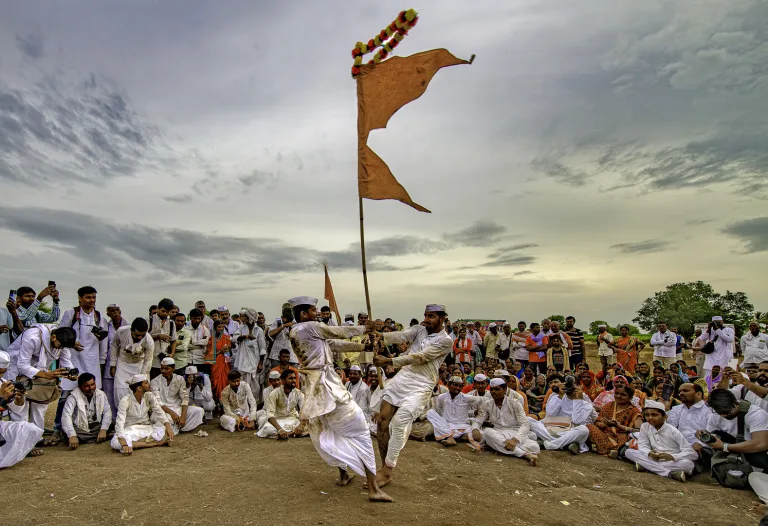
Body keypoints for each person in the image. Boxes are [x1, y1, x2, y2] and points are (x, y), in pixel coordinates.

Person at [287, 296, 391, 502]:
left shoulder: (304, 331)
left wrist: (364, 348)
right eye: (313, 310)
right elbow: (337, 331)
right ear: (302, 314)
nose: (316, 313)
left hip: (316, 389)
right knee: (360, 430)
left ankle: (344, 474)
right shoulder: (308, 327)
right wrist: (364, 329)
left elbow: (334, 343)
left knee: (328, 431)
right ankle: (373, 489)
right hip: (326, 387)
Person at [372, 304, 453, 489]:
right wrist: (381, 336)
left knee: (400, 421)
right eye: (425, 315)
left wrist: (390, 361)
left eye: (431, 316)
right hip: (403, 377)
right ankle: (384, 466)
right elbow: (401, 336)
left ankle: (387, 470)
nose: (426, 319)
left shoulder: (446, 341)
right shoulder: (419, 329)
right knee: (382, 421)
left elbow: (420, 357)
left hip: (423, 383)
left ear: (442, 319)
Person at [56, 286, 109, 440]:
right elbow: (60, 334)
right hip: (73, 359)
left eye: (93, 297)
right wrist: (71, 343)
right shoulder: (71, 314)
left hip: (92, 359)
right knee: (66, 395)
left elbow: (104, 343)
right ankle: (58, 428)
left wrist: (102, 361)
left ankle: (88, 425)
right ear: (79, 298)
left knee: (92, 394)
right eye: (88, 297)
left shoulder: (99, 317)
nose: (91, 300)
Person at [7, 325, 78, 433]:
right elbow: (22, 365)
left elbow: (66, 361)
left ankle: (35, 437)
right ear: (53, 337)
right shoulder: (32, 336)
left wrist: (70, 373)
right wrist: (46, 375)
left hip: (40, 372)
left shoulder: (62, 342)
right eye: (59, 346)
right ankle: (20, 440)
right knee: (21, 408)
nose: (60, 348)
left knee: (39, 406)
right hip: (17, 369)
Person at [471, 378, 539, 465]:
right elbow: (478, 420)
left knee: (534, 447)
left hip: (515, 432)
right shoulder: (487, 404)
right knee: (487, 433)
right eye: (491, 389)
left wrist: (515, 439)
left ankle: (496, 446)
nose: (493, 392)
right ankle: (525, 454)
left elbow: (525, 425)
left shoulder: (514, 403)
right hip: (498, 432)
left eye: (497, 389)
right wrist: (475, 429)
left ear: (505, 390)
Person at [625, 400, 696, 482]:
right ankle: (668, 473)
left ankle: (648, 467)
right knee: (629, 452)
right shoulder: (645, 426)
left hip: (672, 462)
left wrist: (673, 456)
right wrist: (649, 453)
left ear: (665, 417)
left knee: (689, 464)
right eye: (647, 415)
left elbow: (693, 454)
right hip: (654, 459)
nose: (650, 417)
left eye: (654, 415)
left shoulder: (673, 431)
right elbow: (642, 445)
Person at [111, 374, 174, 454]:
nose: (149, 384)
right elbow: (120, 422)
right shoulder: (125, 401)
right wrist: (124, 444)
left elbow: (159, 412)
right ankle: (156, 443)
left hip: (146, 427)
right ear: (139, 388)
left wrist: (168, 427)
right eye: (146, 383)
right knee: (116, 442)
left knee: (166, 426)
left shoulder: (149, 395)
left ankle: (138, 443)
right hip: (131, 429)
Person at [536, 375, 596, 454]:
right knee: (529, 420)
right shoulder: (556, 396)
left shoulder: (584, 402)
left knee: (584, 430)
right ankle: (566, 444)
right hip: (553, 428)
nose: (569, 389)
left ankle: (553, 444)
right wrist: (560, 396)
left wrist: (577, 399)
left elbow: (577, 420)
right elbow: (550, 414)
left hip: (570, 431)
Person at [426, 376, 484, 447]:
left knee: (482, 435)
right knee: (430, 412)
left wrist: (478, 411)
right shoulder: (442, 397)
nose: (457, 388)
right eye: (455, 385)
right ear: (449, 385)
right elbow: (439, 411)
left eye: (460, 386)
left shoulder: (466, 397)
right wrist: (441, 420)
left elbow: (484, 400)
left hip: (463, 426)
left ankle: (449, 436)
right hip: (447, 425)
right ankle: (451, 437)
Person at [150, 357, 204, 434]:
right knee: (165, 419)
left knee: (198, 411)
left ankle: (180, 426)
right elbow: (157, 402)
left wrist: (183, 417)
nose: (163, 371)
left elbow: (185, 398)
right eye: (162, 368)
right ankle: (173, 427)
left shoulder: (179, 379)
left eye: (166, 369)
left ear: (173, 368)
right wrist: (172, 414)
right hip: (162, 410)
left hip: (177, 408)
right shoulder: (155, 381)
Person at [109, 318, 154, 408]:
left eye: (142, 335)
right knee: (120, 389)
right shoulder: (122, 331)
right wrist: (113, 365)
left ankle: (139, 415)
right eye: (137, 335)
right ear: (131, 330)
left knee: (139, 390)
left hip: (139, 365)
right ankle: (122, 413)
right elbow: (114, 345)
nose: (140, 338)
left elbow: (148, 360)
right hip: (123, 363)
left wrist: (143, 377)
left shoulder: (149, 340)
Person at [667, 382, 712, 471]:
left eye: (685, 391)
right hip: (678, 446)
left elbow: (712, 434)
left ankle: (653, 464)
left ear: (698, 394)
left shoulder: (709, 411)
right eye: (680, 391)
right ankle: (671, 467)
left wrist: (701, 444)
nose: (681, 393)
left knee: (688, 460)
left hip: (698, 449)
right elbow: (670, 429)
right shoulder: (676, 409)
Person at [0, 378, 44, 467]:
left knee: (29, 429)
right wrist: (1, 398)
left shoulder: (3, 382)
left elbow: (16, 408)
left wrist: (19, 398)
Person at [587, 385, 642, 456]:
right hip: (605, 434)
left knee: (625, 440)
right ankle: (612, 450)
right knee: (589, 426)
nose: (619, 396)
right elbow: (597, 421)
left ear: (630, 398)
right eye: (617, 393)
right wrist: (603, 424)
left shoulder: (634, 411)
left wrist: (619, 426)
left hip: (622, 437)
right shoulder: (608, 405)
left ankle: (611, 449)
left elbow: (638, 430)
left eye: (623, 395)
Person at [61, 372, 111, 449]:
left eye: (93, 384)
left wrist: (103, 429)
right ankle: (99, 437)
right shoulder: (73, 397)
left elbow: (107, 411)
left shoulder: (101, 394)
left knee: (113, 423)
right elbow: (66, 416)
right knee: (66, 432)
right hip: (80, 428)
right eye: (87, 386)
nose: (91, 388)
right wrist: (72, 435)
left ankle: (92, 437)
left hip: (95, 426)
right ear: (80, 387)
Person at [256, 369, 307, 438]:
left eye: (294, 378)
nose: (294, 380)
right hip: (278, 420)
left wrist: (301, 425)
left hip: (292, 419)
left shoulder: (298, 393)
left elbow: (305, 410)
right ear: (283, 380)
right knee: (267, 429)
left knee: (311, 425)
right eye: (290, 378)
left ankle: (288, 434)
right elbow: (270, 415)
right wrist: (279, 429)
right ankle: (291, 433)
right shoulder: (274, 393)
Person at [235, 308, 267, 401]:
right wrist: (245, 336)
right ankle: (243, 407)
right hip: (242, 362)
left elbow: (262, 348)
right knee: (242, 386)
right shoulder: (241, 328)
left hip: (254, 362)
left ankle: (254, 406)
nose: (244, 318)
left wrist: (260, 363)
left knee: (254, 387)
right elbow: (234, 338)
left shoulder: (259, 330)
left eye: (246, 317)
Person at [103, 304, 127, 417]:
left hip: (124, 366)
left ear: (121, 311)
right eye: (112, 311)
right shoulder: (105, 327)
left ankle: (123, 419)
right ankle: (111, 421)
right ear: (108, 314)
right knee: (109, 395)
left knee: (123, 393)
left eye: (117, 310)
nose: (115, 313)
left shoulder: (128, 327)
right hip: (108, 366)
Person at [149, 298, 177, 379]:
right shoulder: (149, 320)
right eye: (163, 311)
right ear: (158, 308)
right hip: (151, 359)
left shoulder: (171, 323)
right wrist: (158, 336)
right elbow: (143, 338)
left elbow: (174, 340)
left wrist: (172, 354)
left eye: (167, 312)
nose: (165, 314)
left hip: (165, 361)